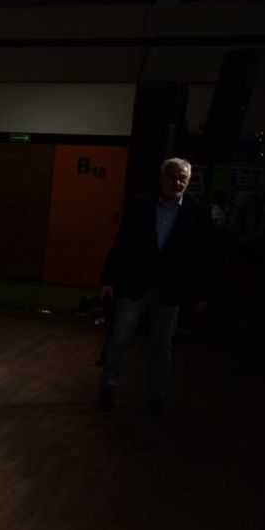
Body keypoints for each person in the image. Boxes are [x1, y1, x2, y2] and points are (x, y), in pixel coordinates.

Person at [99, 157, 214, 414]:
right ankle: (108, 386)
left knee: (163, 345)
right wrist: (108, 278)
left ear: (188, 182)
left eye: (183, 178)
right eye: (173, 176)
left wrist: (202, 292)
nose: (177, 183)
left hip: (170, 288)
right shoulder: (141, 205)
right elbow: (122, 243)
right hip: (136, 282)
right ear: (162, 178)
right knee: (119, 338)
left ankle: (156, 395)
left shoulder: (196, 211)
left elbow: (203, 254)